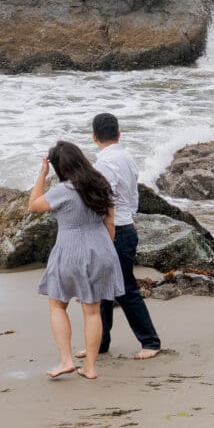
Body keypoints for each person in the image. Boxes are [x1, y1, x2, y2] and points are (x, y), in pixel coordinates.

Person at [28, 139, 125, 379]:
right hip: (101, 248)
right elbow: (110, 221)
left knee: (57, 304)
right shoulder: (100, 184)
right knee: (92, 311)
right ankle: (90, 367)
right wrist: (107, 246)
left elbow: (33, 205)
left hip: (70, 250)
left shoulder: (63, 190)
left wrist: (42, 173)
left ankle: (66, 361)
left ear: (60, 167)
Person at [90, 112, 162, 359]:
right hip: (126, 224)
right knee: (103, 288)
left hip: (115, 229)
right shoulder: (128, 158)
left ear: (94, 137)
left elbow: (103, 199)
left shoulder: (103, 164)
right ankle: (99, 343)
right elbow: (133, 196)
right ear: (119, 134)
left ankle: (150, 342)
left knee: (124, 288)